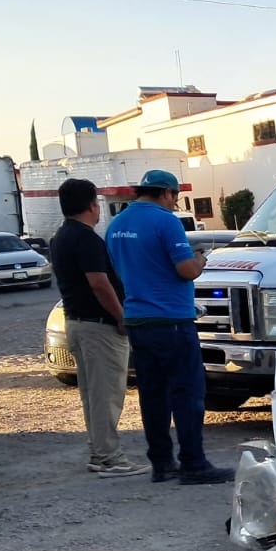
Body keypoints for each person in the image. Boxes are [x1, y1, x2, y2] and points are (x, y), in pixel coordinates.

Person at [105, 170, 233, 485]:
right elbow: (186, 269)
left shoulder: (116, 225)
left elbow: (118, 271)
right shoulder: (166, 221)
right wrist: (201, 260)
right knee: (188, 393)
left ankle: (162, 464)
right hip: (172, 320)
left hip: (138, 319)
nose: (175, 203)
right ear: (166, 193)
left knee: (153, 396)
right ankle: (194, 463)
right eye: (175, 196)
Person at [50, 178, 144, 478]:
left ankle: (99, 452)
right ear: (92, 205)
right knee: (106, 395)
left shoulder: (60, 237)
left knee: (92, 394)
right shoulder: (86, 239)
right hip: (98, 326)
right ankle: (109, 457)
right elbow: (99, 282)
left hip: (76, 322)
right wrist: (120, 315)